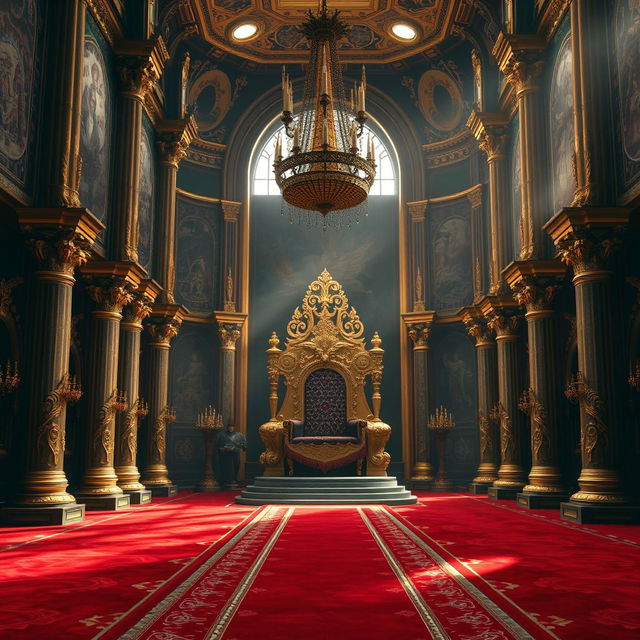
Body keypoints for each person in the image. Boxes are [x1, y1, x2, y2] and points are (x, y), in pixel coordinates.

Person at [216, 424, 246, 489]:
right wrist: (223, 449)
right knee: (227, 467)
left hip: (235, 453)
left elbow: (244, 445)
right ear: (227, 427)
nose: (231, 428)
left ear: (234, 427)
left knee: (236, 465)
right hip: (225, 455)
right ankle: (227, 481)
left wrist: (237, 447)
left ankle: (234, 480)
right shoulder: (222, 435)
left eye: (232, 426)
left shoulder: (239, 435)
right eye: (229, 427)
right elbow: (218, 446)